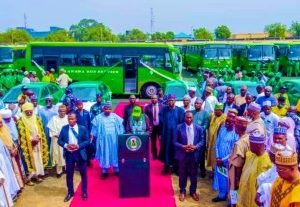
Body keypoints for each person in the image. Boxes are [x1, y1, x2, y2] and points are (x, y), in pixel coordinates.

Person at [58, 113, 89, 202]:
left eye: (72, 119)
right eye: (69, 119)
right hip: (69, 155)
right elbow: (59, 141)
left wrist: (78, 146)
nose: (70, 120)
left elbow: (87, 141)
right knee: (69, 175)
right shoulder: (64, 128)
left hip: (80, 154)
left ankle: (84, 192)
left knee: (83, 174)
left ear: (76, 119)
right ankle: (70, 192)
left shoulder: (82, 128)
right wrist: (66, 145)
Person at [174, 111, 205, 202]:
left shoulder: (199, 128)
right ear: (184, 118)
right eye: (187, 117)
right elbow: (174, 142)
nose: (189, 119)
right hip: (183, 154)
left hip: (194, 155)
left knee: (194, 175)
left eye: (190, 117)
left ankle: (193, 191)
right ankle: (182, 191)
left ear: (193, 118)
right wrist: (183, 147)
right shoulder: (178, 128)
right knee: (182, 174)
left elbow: (202, 141)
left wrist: (196, 147)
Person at [237, 133, 272, 207]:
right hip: (244, 191)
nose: (249, 146)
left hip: (254, 197)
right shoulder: (250, 154)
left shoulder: (266, 161)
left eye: (251, 144)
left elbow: (261, 184)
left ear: (258, 146)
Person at [17, 102, 49, 185]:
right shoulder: (21, 121)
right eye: (27, 111)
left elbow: (41, 130)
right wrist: (31, 140)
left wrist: (38, 137)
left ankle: (36, 176)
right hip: (28, 145)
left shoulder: (37, 118)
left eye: (30, 111)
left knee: (38, 158)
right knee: (30, 161)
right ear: (23, 112)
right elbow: (21, 134)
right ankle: (28, 179)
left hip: (38, 142)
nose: (29, 113)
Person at [91, 103, 124, 179]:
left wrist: (121, 135)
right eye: (106, 109)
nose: (108, 110)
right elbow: (94, 128)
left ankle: (116, 169)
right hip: (103, 140)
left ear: (111, 109)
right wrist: (92, 135)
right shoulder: (98, 118)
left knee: (115, 152)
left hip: (114, 139)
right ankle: (104, 170)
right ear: (103, 109)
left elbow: (120, 126)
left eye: (109, 109)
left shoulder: (115, 116)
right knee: (104, 153)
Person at [212, 114, 239, 203]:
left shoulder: (236, 133)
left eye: (229, 122)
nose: (227, 123)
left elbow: (233, 150)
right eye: (226, 121)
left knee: (230, 180)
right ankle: (221, 195)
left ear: (234, 123)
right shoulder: (223, 129)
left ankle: (231, 201)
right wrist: (217, 156)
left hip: (229, 161)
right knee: (221, 178)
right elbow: (217, 142)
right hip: (219, 160)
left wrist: (223, 159)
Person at [159, 94, 185, 174]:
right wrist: (160, 134)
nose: (171, 102)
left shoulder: (180, 111)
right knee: (166, 150)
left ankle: (176, 168)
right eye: (169, 100)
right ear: (167, 101)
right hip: (166, 135)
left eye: (172, 100)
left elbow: (182, 124)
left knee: (176, 151)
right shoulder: (163, 110)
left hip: (176, 136)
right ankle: (166, 167)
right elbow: (161, 123)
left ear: (175, 101)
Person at [256, 143, 285, 207]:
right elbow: (263, 177)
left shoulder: (282, 170)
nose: (269, 155)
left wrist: (263, 187)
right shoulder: (274, 166)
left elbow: (276, 186)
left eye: (271, 154)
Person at [228, 116, 249, 206]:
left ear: (237, 128)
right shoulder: (248, 138)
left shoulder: (239, 144)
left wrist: (237, 180)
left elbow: (238, 165)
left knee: (235, 196)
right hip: (245, 174)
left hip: (236, 175)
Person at [0, 115, 25, 189]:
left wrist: (14, 148)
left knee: (16, 168)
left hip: (12, 152)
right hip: (5, 156)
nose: (0, 125)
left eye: (1, 122)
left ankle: (19, 186)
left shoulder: (5, 129)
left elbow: (11, 139)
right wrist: (10, 150)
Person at [47, 105, 68, 177]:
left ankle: (66, 169)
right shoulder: (54, 119)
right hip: (57, 140)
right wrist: (58, 136)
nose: (62, 113)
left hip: (66, 140)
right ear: (58, 111)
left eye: (64, 111)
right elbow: (51, 130)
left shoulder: (68, 118)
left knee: (66, 155)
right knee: (58, 155)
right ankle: (59, 171)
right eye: (61, 111)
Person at [38, 95, 58, 167]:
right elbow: (39, 121)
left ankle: (56, 161)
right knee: (47, 145)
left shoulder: (56, 108)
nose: (48, 102)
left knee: (55, 144)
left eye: (49, 100)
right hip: (46, 130)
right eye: (46, 100)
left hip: (54, 130)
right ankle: (48, 162)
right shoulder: (42, 110)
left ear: (52, 101)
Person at [192, 98, 210, 177]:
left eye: (198, 103)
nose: (196, 105)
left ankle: (202, 169)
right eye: (195, 103)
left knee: (201, 153)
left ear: (201, 104)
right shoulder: (192, 112)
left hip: (201, 137)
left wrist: (197, 130)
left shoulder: (205, 113)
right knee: (193, 153)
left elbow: (205, 125)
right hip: (192, 136)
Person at [207, 103, 227, 169]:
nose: (215, 111)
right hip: (211, 140)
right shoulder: (213, 116)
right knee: (211, 156)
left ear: (221, 110)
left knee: (216, 156)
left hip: (218, 141)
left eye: (217, 110)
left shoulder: (224, 118)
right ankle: (213, 169)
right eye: (215, 110)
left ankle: (216, 171)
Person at [144, 95, 163, 160]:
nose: (153, 99)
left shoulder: (162, 106)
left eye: (154, 98)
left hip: (160, 127)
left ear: (157, 99)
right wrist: (148, 127)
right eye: (152, 98)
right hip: (152, 127)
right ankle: (154, 155)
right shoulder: (147, 107)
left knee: (161, 141)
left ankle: (161, 155)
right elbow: (145, 117)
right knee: (153, 142)